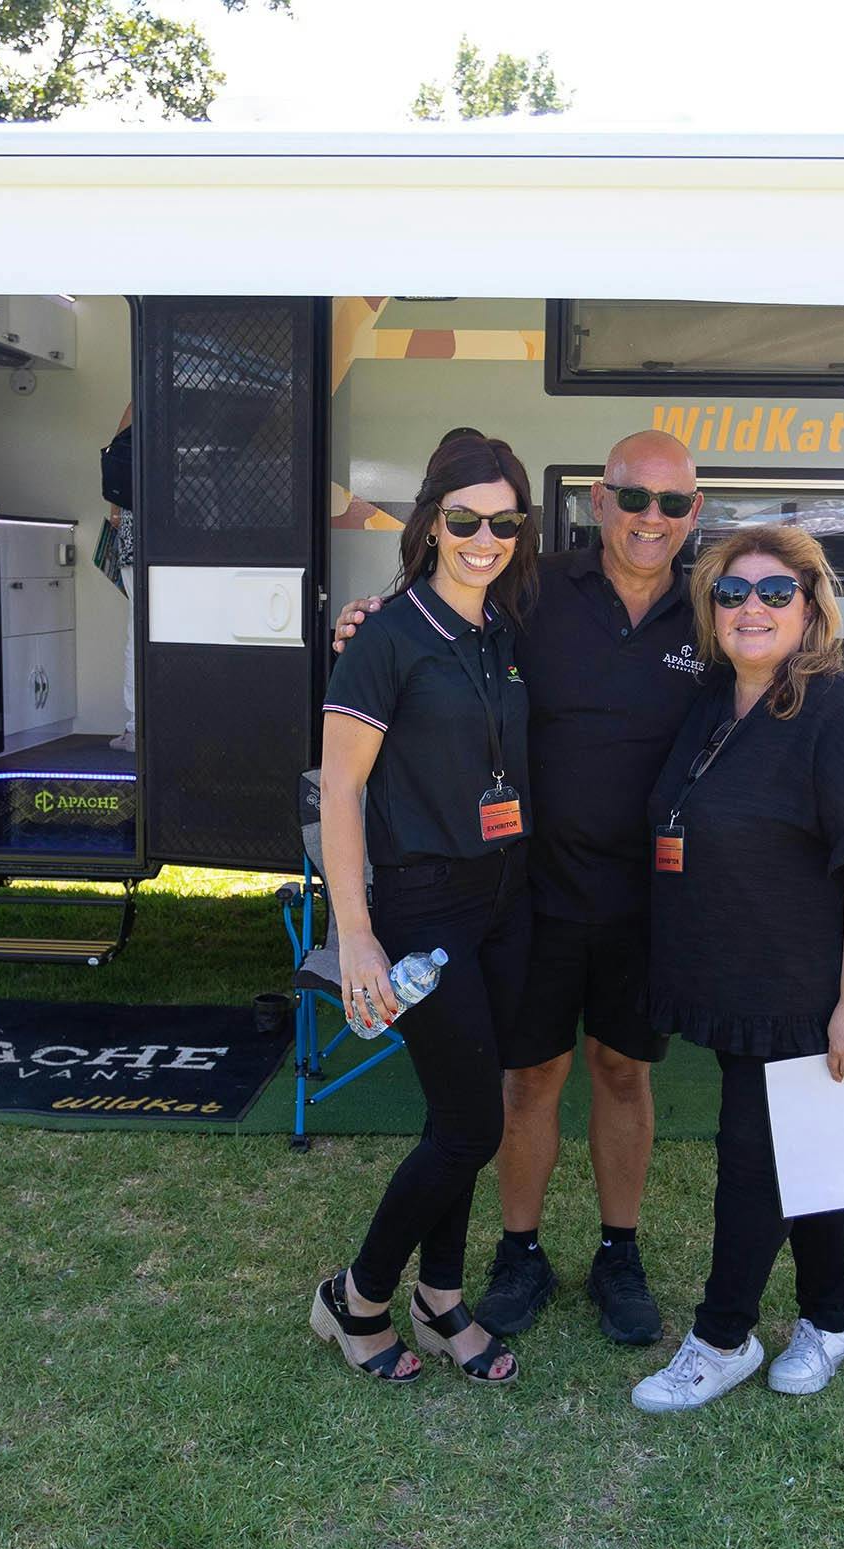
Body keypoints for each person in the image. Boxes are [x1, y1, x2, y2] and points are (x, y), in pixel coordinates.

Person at [334, 431, 844, 1348]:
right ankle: (518, 1250)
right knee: (530, 1079)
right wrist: (372, 617)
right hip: (529, 889)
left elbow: (781, 664)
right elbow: (443, 617)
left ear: (695, 512)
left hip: (652, 898)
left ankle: (619, 1250)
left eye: (674, 504)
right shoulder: (535, 587)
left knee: (622, 1071)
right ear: (598, 502)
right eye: (633, 499)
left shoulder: (711, 603)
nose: (652, 519)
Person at [628, 525, 844, 1414]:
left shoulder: (839, 709)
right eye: (733, 593)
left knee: (753, 1155)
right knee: (810, 1146)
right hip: (742, 971)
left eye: (776, 592)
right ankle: (829, 1318)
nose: (753, 607)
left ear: (811, 608)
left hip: (809, 981)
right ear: (711, 610)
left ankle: (721, 1337)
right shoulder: (717, 701)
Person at [306, 432, 539, 1387]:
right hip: (419, 904)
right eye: (464, 520)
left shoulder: (501, 633)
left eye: (504, 523)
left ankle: (441, 1300)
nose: (484, 539)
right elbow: (342, 790)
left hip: (500, 898)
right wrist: (356, 933)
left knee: (464, 1110)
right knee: (471, 1128)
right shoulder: (389, 636)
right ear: (430, 524)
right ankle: (355, 1296)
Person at [95, 403, 137, 754]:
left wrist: (115, 513)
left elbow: (117, 462)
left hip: (138, 538)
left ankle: (138, 727)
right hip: (189, 538)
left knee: (139, 631)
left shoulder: (140, 401)